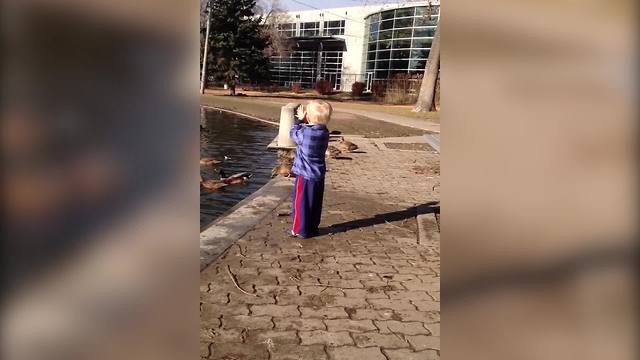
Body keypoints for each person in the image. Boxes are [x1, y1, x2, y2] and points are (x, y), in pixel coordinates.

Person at [289, 100, 332, 238]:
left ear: (308, 117)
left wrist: (299, 120)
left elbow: (292, 133)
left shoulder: (304, 133)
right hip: (318, 176)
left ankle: (299, 229)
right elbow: (313, 127)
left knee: (300, 203)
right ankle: (312, 227)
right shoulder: (325, 132)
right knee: (315, 203)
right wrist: (306, 120)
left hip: (304, 176)